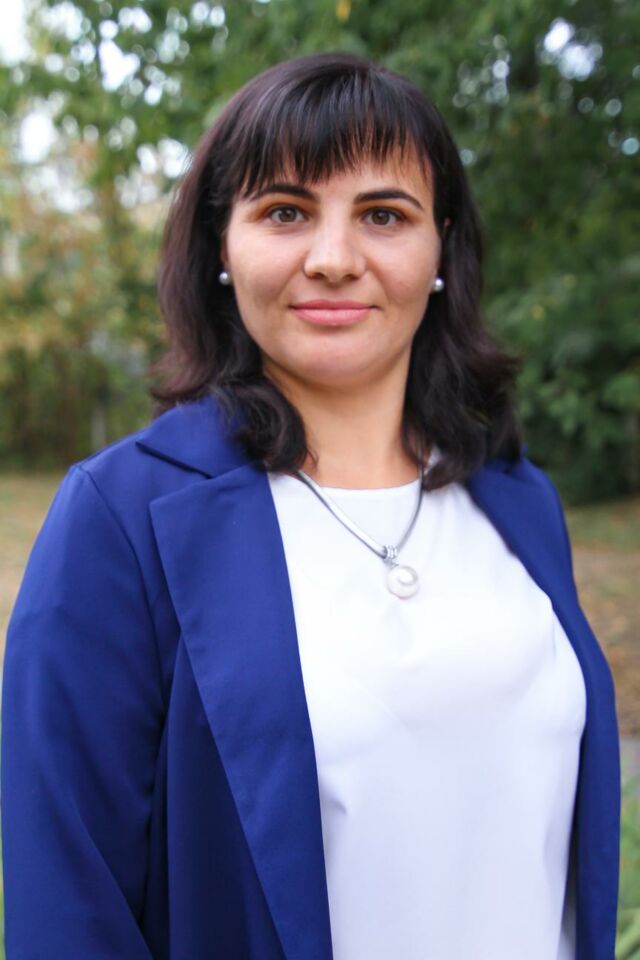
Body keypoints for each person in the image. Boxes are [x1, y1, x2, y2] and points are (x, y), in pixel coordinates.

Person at [1, 52, 620, 960]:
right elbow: (68, 907)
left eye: (384, 215)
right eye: (286, 212)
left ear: (441, 248)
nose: (334, 260)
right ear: (221, 246)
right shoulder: (120, 520)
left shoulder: (518, 501)